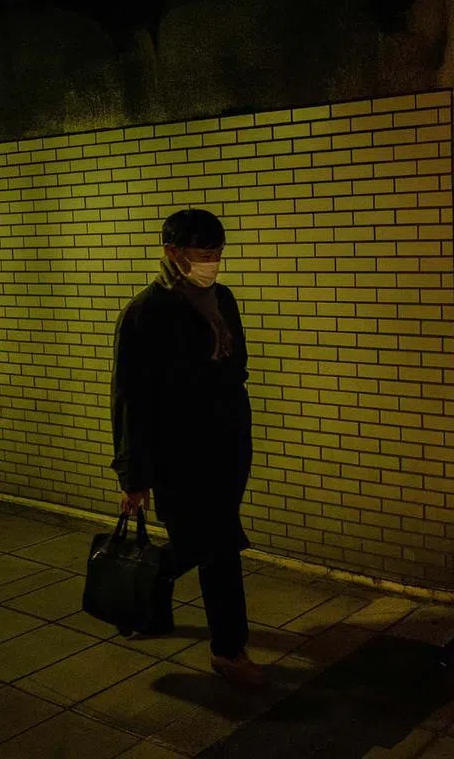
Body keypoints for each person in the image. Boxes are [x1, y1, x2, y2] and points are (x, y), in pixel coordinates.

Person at [110, 208, 264, 688]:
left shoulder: (224, 299)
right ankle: (229, 651)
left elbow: (236, 364)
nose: (213, 263)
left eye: (218, 254)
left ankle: (145, 588)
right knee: (219, 548)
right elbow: (130, 398)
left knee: (203, 542)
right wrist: (134, 476)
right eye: (203, 254)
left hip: (227, 445)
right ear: (172, 252)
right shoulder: (146, 312)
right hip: (178, 454)